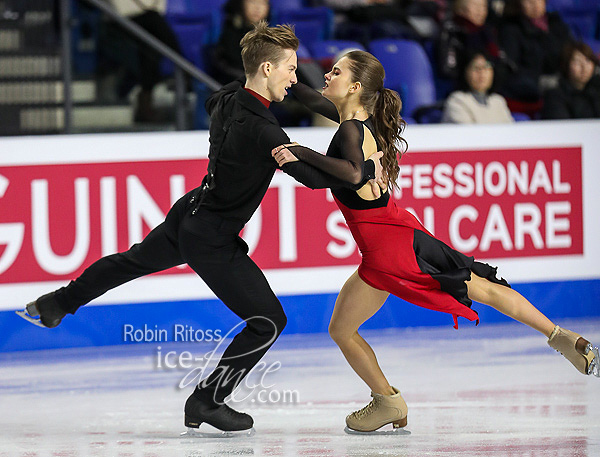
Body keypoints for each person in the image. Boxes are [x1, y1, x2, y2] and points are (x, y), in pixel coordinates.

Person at [16, 22, 383, 434]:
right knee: (268, 321)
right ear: (266, 68)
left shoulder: (226, 97)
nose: (296, 78)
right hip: (211, 236)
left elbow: (243, 99)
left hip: (190, 211)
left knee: (129, 262)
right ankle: (207, 401)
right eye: (291, 69)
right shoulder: (265, 132)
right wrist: (365, 168)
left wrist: (291, 94)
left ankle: (57, 304)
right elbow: (319, 180)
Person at [272, 49, 599, 433]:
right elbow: (312, 100)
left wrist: (297, 152)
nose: (327, 75)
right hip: (395, 234)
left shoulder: (349, 131)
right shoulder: (359, 120)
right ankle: (561, 337)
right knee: (478, 287)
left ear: (355, 86)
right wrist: (285, 78)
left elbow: (353, 172)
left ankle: (388, 401)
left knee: (352, 327)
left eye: (336, 72)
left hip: (387, 250)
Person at [106, 0, 183, 122]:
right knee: (154, 22)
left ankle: (145, 103)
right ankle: (183, 67)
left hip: (146, 20)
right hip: (119, 20)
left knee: (151, 50)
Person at [498, 0, 572, 116]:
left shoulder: (557, 25)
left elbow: (571, 55)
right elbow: (512, 67)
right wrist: (539, 82)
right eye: (529, 2)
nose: (535, 5)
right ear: (520, 4)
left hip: (562, 83)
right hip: (530, 88)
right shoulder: (510, 29)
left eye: (538, 0)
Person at [442, 50, 514, 123]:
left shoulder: (498, 101)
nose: (482, 72)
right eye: (476, 67)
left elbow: (510, 131)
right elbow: (468, 133)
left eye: (486, 67)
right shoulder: (457, 101)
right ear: (465, 72)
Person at [542, 41, 600, 120]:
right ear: (566, 65)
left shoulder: (596, 91)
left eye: (588, 60)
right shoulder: (555, 96)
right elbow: (562, 127)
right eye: (577, 61)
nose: (584, 66)